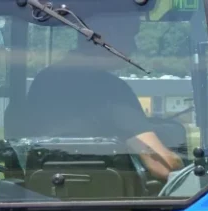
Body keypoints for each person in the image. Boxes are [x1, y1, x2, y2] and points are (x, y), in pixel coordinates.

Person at [11, 12, 184, 181]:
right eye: (130, 35)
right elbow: (161, 165)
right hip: (110, 204)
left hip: (45, 196)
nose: (134, 46)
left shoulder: (43, 81)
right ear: (106, 33)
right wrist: (188, 167)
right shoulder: (111, 90)